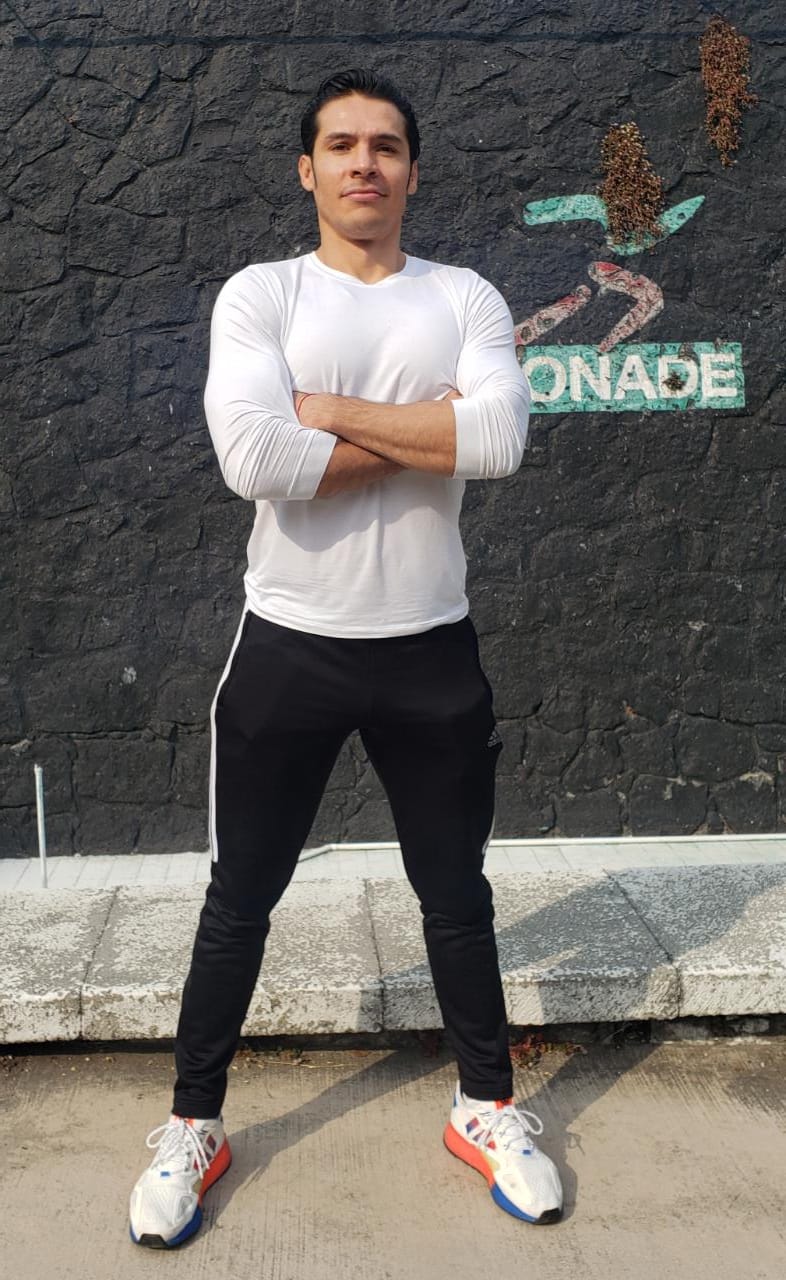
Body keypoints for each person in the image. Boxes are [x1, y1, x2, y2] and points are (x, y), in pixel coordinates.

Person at [128, 68, 563, 1249]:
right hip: (288, 648)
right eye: (341, 144)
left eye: (386, 145)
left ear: (414, 170)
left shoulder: (463, 295)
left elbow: (501, 439)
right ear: (307, 169)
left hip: (432, 649)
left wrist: (328, 409)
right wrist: (429, 429)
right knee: (240, 899)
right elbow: (255, 461)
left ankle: (484, 1106)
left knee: (456, 895)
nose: (364, 161)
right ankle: (193, 1123)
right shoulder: (262, 294)